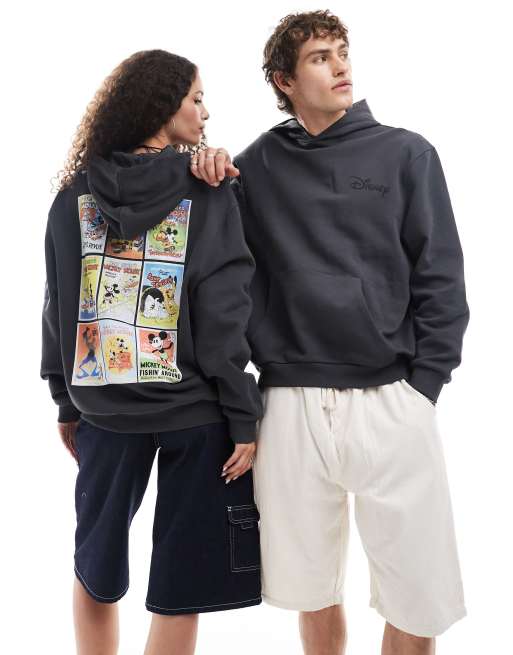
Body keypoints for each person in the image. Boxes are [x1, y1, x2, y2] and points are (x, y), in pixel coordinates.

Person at [191, 10, 469, 655]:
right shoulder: (254, 168)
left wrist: (424, 386)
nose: (341, 66)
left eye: (343, 52)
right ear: (284, 80)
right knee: (312, 589)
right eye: (320, 57)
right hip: (290, 402)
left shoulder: (406, 153)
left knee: (418, 595)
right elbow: (219, 271)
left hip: (392, 398)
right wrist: (201, 165)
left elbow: (441, 277)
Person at [40, 49, 263, 655]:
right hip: (196, 411)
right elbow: (223, 316)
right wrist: (243, 414)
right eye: (196, 99)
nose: (205, 112)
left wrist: (66, 401)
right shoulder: (208, 192)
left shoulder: (73, 198)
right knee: (181, 582)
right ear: (163, 108)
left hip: (104, 411)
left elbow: (57, 308)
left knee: (95, 563)